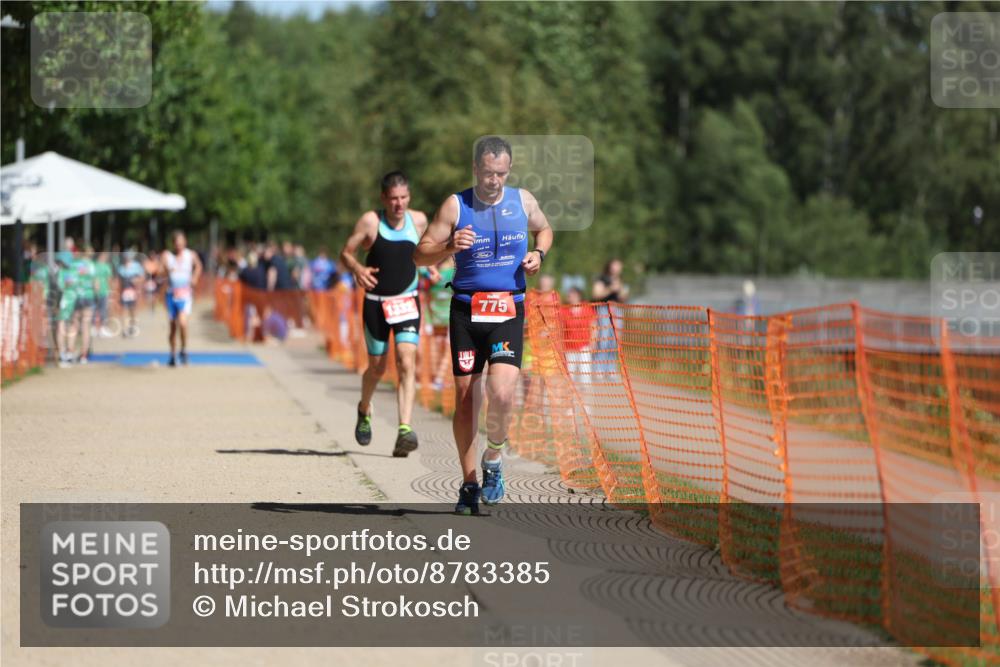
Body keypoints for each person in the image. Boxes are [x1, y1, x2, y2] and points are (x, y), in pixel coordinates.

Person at [414, 136, 553, 514]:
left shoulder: (522, 200)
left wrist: (538, 253)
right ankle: (469, 481)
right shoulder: (455, 205)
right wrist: (448, 248)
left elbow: (545, 229)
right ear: (476, 169)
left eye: (502, 174)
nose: (495, 181)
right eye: (488, 173)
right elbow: (419, 255)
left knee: (504, 394)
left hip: (508, 310)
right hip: (465, 312)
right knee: (465, 402)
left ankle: (494, 457)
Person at [340, 171, 430, 458]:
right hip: (377, 303)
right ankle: (364, 408)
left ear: (409, 197)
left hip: (407, 301)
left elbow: (426, 251)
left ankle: (405, 429)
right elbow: (346, 252)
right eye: (393, 198)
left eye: (403, 198)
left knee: (406, 360)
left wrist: (430, 266)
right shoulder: (371, 221)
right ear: (383, 198)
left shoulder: (419, 220)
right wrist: (357, 269)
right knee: (377, 368)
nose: (399, 204)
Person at [160, 231, 203, 367]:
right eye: (176, 243)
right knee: (173, 327)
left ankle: (183, 350)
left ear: (185, 242)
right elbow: (160, 273)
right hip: (171, 295)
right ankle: (172, 355)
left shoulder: (190, 255)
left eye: (181, 243)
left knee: (183, 323)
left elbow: (199, 266)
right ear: (173, 243)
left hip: (185, 295)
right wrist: (166, 270)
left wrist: (195, 277)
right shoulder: (167, 256)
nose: (178, 246)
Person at [591, 258, 628, 377]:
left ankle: (610, 368)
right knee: (603, 339)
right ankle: (598, 368)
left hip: (617, 310)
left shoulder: (620, 280)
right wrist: (610, 288)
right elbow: (596, 294)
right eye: (615, 265)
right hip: (604, 310)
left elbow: (623, 298)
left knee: (614, 340)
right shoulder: (602, 279)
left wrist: (621, 290)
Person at [428, 256, 456, 390]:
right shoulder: (453, 272)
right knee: (447, 348)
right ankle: (439, 378)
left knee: (439, 346)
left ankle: (437, 377)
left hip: (435, 316)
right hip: (448, 316)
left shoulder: (429, 272)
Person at [560, 287, 596, 386]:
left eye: (573, 295)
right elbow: (560, 327)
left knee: (585, 374)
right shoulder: (564, 310)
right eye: (569, 295)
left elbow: (593, 325)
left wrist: (593, 342)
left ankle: (586, 396)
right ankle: (571, 396)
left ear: (579, 296)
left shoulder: (586, 308)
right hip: (569, 347)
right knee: (570, 375)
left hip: (584, 346)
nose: (571, 297)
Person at [69, 245, 98, 364]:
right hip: (88, 296)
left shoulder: (74, 265)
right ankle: (83, 355)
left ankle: (69, 353)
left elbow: (69, 282)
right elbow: (96, 285)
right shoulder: (92, 266)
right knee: (86, 326)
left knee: (74, 325)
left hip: (76, 297)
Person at [117, 250, 144, 338]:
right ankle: (125, 329)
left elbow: (142, 278)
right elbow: (119, 281)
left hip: (133, 291)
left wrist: (137, 282)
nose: (127, 258)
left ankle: (132, 327)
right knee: (124, 310)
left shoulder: (137, 266)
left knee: (132, 311)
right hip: (124, 292)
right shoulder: (121, 268)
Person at [93, 251, 114, 337]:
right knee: (103, 310)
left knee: (95, 310)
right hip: (103, 291)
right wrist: (111, 290)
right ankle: (102, 328)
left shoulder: (93, 265)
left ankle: (94, 328)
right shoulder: (106, 266)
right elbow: (109, 279)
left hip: (94, 291)